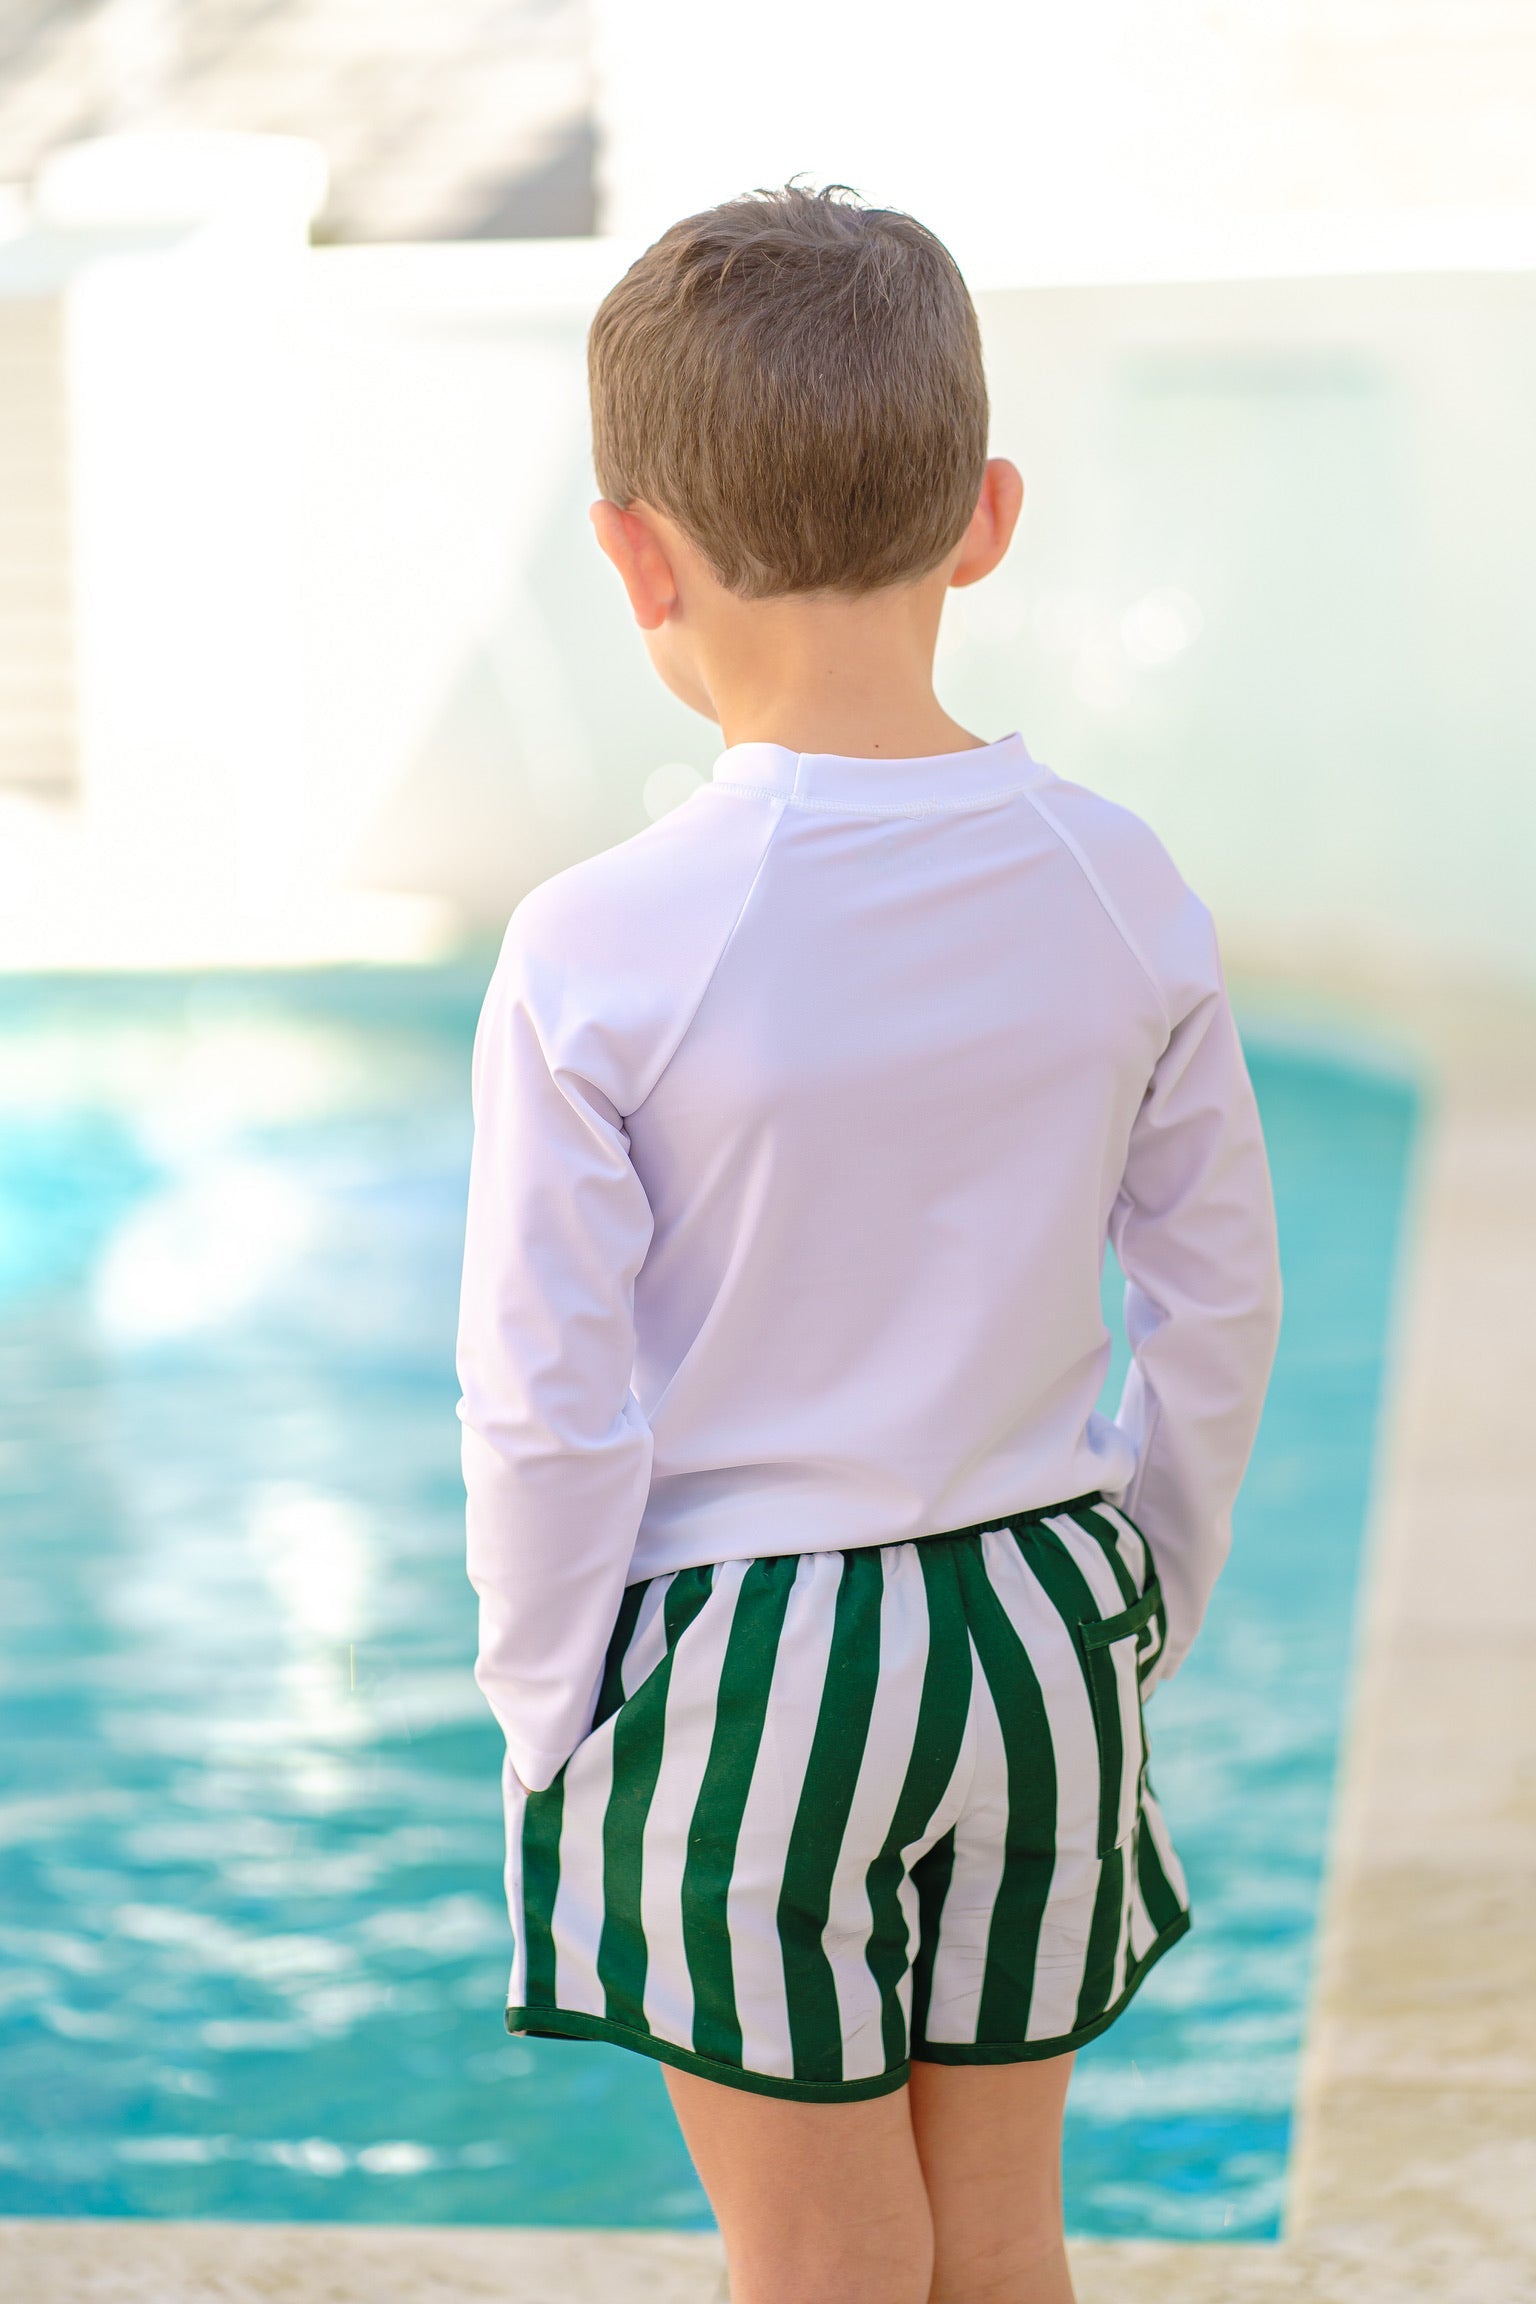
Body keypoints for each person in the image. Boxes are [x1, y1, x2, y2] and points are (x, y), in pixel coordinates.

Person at [457, 184, 1281, 2304]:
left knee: (818, 2259)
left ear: (630, 550)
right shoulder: (1121, 884)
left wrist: (553, 1700)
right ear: (984, 515)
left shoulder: (600, 941)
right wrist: (1140, 1602)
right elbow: (1215, 1299)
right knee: (1001, 2242)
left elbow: (542, 1392)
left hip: (744, 1667)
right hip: (1039, 1626)